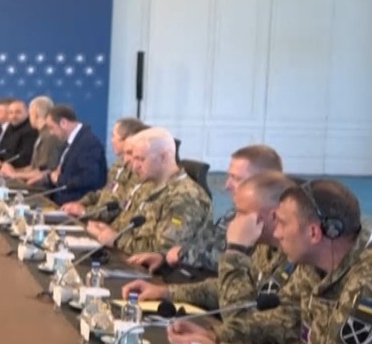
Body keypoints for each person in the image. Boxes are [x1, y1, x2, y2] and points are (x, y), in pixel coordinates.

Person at [171, 179, 372, 344]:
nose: (277, 233)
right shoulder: (314, 262)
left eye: (283, 223)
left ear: (314, 232)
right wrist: (216, 336)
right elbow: (281, 322)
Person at [123, 171, 294, 321]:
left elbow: (241, 322)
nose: (233, 222)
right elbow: (224, 288)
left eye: (242, 213)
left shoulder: (297, 259)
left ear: (273, 216)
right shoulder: (263, 248)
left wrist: (235, 248)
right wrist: (165, 292)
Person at [129, 145, 284, 276]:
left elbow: (226, 265)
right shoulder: (234, 213)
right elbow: (206, 245)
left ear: (263, 182)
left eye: (237, 179)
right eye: (229, 177)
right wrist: (163, 260)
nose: (227, 185)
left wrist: (182, 255)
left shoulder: (267, 224)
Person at [84, 127, 208, 257]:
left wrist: (116, 239)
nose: (134, 166)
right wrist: (108, 231)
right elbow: (136, 230)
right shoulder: (151, 186)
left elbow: (164, 251)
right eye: (134, 158)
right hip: (127, 258)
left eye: (141, 159)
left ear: (164, 157)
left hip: (148, 269)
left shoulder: (185, 197)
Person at [61, 117, 145, 219]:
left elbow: (121, 205)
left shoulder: (138, 170)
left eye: (113, 136)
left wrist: (85, 212)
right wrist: (80, 203)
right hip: (96, 217)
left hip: (106, 221)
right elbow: (104, 192)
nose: (111, 141)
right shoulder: (118, 164)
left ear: (127, 139)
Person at [39, 104, 107, 204]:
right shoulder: (70, 141)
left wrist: (59, 179)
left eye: (51, 128)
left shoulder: (88, 143)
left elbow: (89, 179)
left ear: (63, 123)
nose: (51, 133)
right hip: (58, 199)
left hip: (76, 203)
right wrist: (50, 177)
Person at [3, 96, 62, 183]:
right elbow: (34, 167)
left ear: (36, 114)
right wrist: (13, 171)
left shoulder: (49, 136)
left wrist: (14, 174)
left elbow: (43, 171)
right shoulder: (42, 134)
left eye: (30, 114)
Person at [0, 98, 36, 167]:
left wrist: (0, 164)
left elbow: (23, 159)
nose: (14, 116)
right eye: (11, 113)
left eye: (18, 112)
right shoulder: (10, 127)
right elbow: (3, 150)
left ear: (27, 113)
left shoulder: (30, 131)